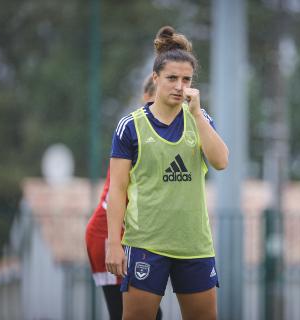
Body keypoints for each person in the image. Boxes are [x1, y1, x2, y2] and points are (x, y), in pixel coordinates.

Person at [106, 25, 229, 320]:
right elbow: (117, 189)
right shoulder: (130, 127)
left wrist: (198, 114)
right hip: (146, 244)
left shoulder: (199, 120)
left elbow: (222, 161)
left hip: (194, 246)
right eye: (172, 78)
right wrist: (113, 243)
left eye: (186, 80)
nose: (179, 86)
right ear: (155, 78)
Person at [85, 75, 163, 320]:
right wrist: (115, 245)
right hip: (109, 236)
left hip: (132, 240)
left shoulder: (165, 139)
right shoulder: (134, 134)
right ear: (147, 97)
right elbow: (115, 201)